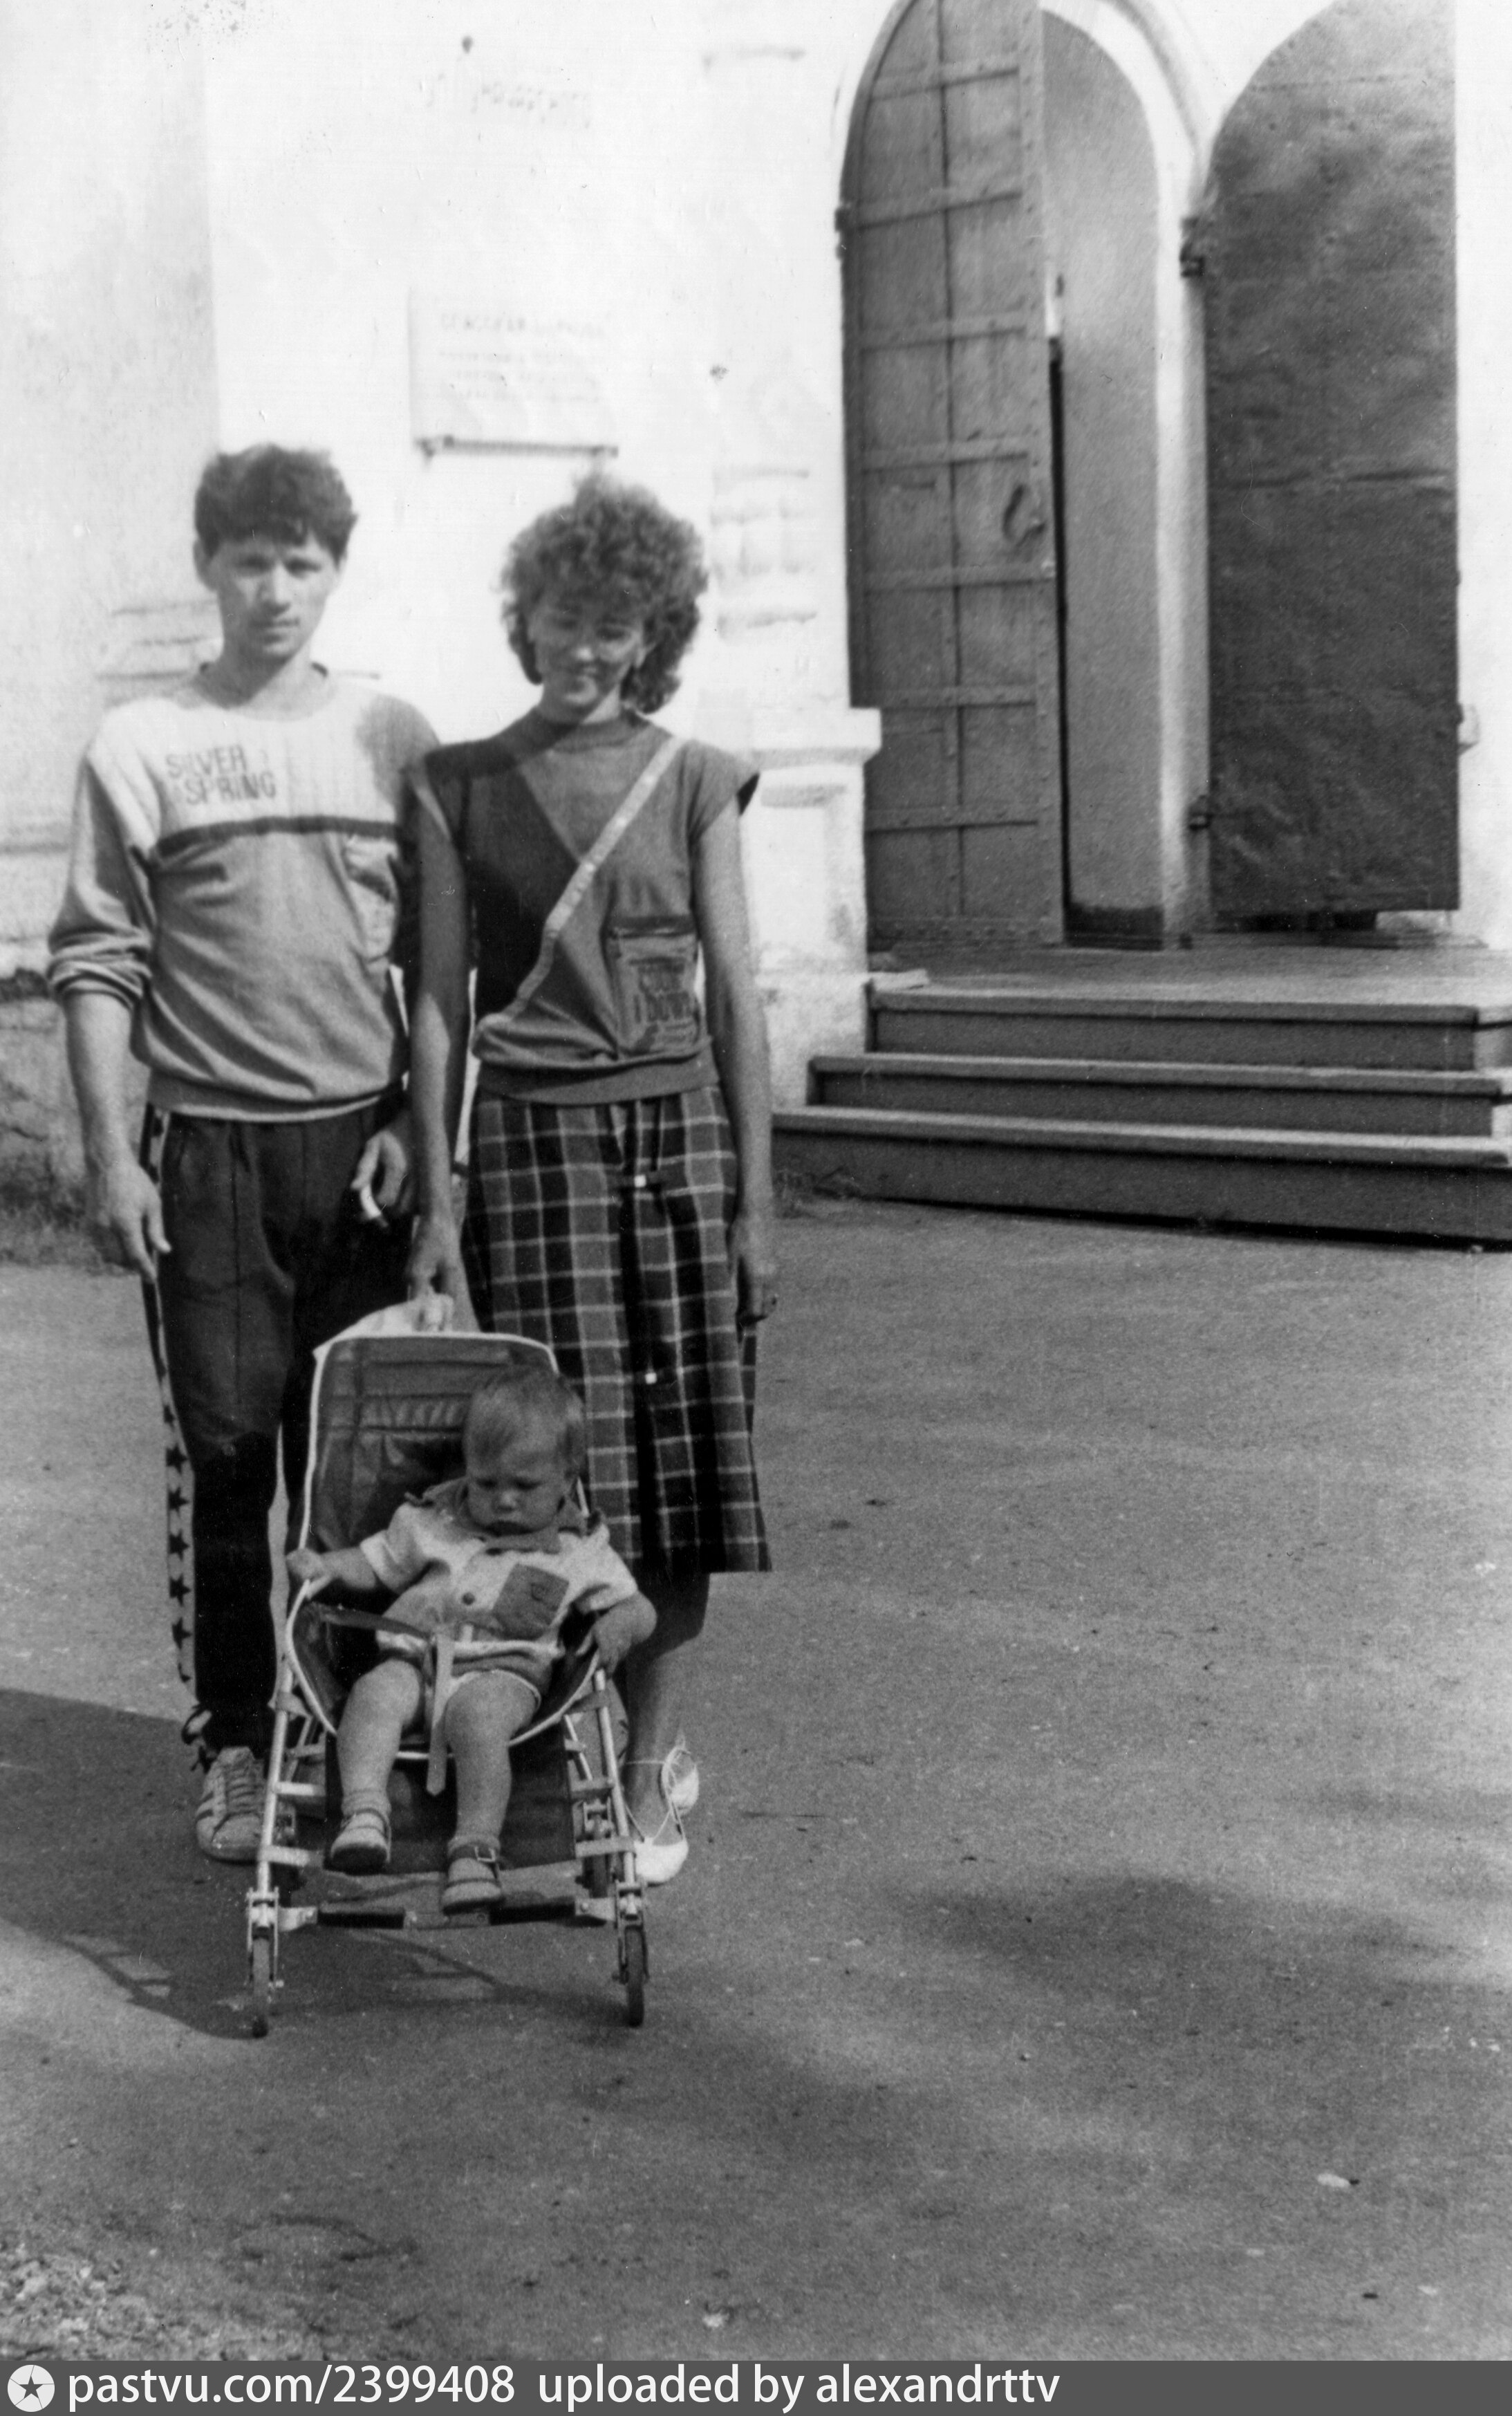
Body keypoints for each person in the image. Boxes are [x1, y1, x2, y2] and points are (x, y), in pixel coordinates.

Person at [47, 445, 436, 1862]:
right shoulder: (143, 741)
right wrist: (113, 1157)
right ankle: (234, 1739)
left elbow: (436, 964)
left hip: (359, 1157)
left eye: (301, 562)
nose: (276, 589)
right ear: (208, 566)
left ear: (335, 571)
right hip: (207, 1151)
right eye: (251, 560)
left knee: (366, 1474)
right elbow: (97, 961)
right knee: (227, 1464)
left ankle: (354, 1744)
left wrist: (413, 1121)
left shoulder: (391, 734)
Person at [406, 474, 778, 1885]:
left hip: (676, 1147)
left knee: (677, 1479)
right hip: (526, 1149)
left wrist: (756, 1204)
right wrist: (439, 1203)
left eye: (614, 623)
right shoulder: (457, 783)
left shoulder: (697, 777)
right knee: (546, 1473)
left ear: (652, 633)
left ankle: (645, 1767)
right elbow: (438, 1000)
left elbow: (737, 993)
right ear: (527, 619)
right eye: (563, 615)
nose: (584, 644)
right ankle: (550, 1734)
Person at [287, 1361, 655, 1912]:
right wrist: (327, 1566)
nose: (503, 1499)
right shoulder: (432, 1520)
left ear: (566, 1477)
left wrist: (618, 1626)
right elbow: (376, 1564)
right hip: (415, 1658)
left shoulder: (577, 1549)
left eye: (524, 1486)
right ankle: (364, 1813)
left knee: (477, 1721)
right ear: (467, 1467)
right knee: (373, 1694)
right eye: (486, 1482)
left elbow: (639, 1607)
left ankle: (476, 1849)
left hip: (505, 1673)